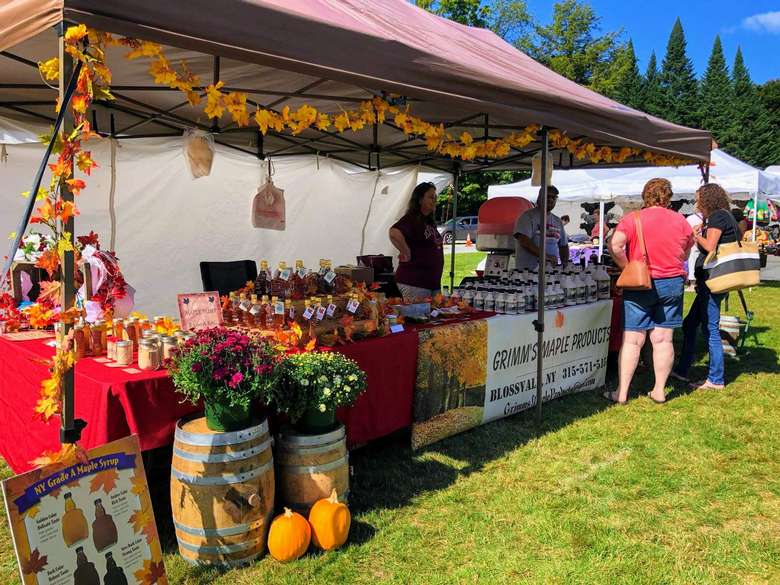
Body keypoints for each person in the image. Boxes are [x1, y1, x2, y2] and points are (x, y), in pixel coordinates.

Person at [606, 178, 694, 404]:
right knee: (664, 340)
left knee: (633, 340)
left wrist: (627, 267)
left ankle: (622, 393)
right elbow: (686, 248)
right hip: (672, 282)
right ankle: (659, 390)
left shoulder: (632, 219)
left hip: (640, 283)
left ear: (645, 195)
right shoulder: (680, 221)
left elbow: (615, 245)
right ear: (669, 197)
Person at [672, 183, 738, 391]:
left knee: (710, 328)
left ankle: (716, 379)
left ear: (707, 199)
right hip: (711, 280)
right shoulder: (725, 216)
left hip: (712, 280)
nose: (696, 202)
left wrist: (695, 235)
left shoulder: (718, 217)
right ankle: (682, 370)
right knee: (690, 325)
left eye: (698, 198)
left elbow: (710, 247)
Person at [389, 182, 444, 301]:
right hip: (414, 283)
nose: (434, 200)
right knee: (416, 318)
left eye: (435, 197)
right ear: (419, 200)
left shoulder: (428, 222)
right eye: (430, 197)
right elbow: (394, 232)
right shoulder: (412, 219)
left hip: (431, 285)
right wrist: (405, 250)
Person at [513, 185, 569, 269]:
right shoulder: (528, 216)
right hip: (528, 273)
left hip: (550, 273)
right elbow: (524, 241)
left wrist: (565, 265)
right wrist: (546, 256)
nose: (550, 199)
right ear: (539, 197)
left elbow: (563, 245)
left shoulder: (557, 221)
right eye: (547, 196)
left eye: (554, 197)